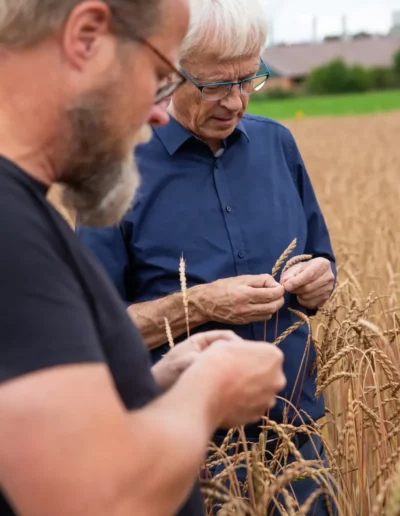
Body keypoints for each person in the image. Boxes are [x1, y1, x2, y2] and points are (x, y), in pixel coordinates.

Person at [0, 1, 288, 515]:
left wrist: (152, 380)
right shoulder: (10, 228)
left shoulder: (21, 212)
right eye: (159, 77)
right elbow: (95, 498)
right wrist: (211, 392)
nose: (159, 113)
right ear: (86, 38)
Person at [77, 0, 337, 512]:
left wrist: (317, 281)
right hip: (187, 454)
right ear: (169, 71)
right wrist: (199, 305)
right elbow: (94, 337)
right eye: (216, 85)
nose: (236, 101)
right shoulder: (115, 170)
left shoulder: (277, 145)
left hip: (298, 441)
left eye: (249, 79)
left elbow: (322, 265)